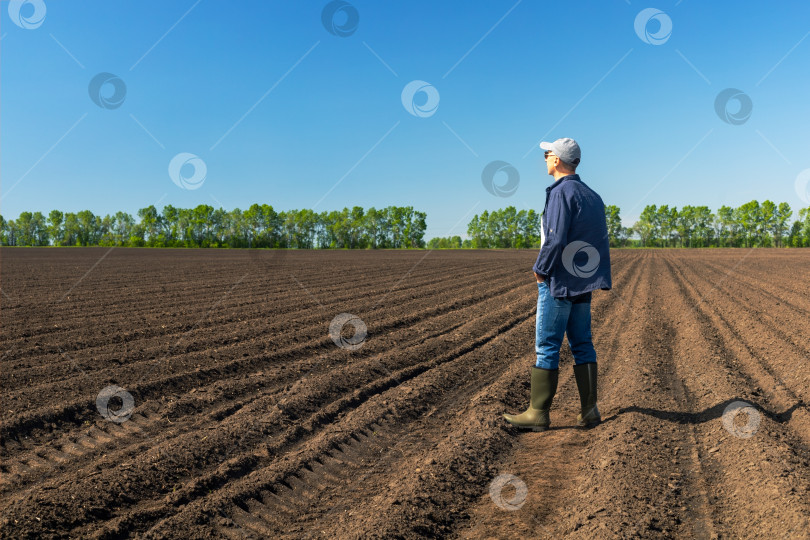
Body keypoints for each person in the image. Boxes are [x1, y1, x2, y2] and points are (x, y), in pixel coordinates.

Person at [503, 138, 612, 432]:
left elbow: (555, 237)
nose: (545, 158)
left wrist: (541, 270)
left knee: (547, 345)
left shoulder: (561, 193)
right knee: (582, 343)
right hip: (582, 282)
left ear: (559, 160)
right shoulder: (592, 195)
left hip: (558, 282)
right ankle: (590, 410)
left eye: (548, 153)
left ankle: (538, 413)